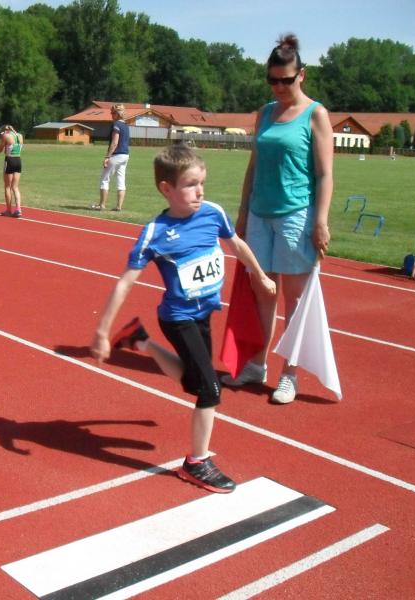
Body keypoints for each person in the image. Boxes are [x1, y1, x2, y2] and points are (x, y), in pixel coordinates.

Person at [91, 145, 276, 493]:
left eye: (202, 183)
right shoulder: (155, 232)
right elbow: (125, 283)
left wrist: (261, 275)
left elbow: (237, 244)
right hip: (177, 318)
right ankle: (196, 463)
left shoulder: (213, 213)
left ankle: (140, 340)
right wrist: (102, 332)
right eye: (191, 185)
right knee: (210, 389)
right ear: (167, 189)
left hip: (205, 312)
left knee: (193, 382)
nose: (200, 191)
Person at [221, 34, 333, 405]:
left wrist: (321, 221)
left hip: (296, 216)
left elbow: (325, 175)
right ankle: (256, 363)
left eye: (286, 80)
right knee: (261, 293)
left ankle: (290, 373)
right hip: (259, 214)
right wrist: (242, 211)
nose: (279, 87)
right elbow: (253, 166)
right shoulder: (265, 113)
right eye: (273, 80)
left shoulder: (315, 114)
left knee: (294, 300)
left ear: (302, 75)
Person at [91, 103, 130, 211]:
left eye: (112, 113)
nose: (111, 115)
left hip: (116, 155)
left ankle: (102, 205)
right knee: (121, 181)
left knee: (104, 179)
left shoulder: (116, 124)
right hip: (125, 155)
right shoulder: (126, 125)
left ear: (117, 114)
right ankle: (119, 206)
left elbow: (115, 142)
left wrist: (107, 156)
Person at [0, 125, 23, 218]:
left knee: (7, 186)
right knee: (15, 187)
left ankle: (8, 210)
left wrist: (2, 139)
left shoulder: (6, 136)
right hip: (18, 160)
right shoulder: (20, 136)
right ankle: (18, 209)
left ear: (5, 131)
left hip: (9, 160)